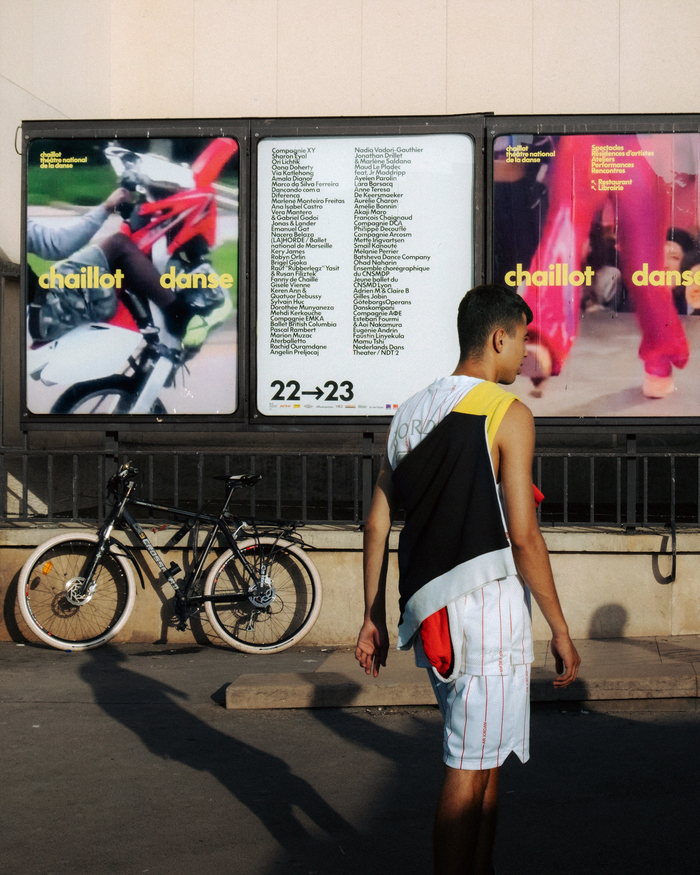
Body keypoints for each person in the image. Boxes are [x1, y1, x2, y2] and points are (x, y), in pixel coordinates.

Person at [355, 284, 580, 875]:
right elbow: (524, 536)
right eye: (524, 340)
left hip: (432, 616)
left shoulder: (407, 411)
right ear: (497, 337)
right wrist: (559, 626)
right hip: (486, 612)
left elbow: (376, 522)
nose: (527, 353)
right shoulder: (508, 414)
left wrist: (372, 615)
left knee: (482, 763)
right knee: (468, 769)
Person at [27, 188, 231, 346]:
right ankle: (182, 319)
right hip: (42, 311)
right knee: (119, 246)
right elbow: (56, 244)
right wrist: (107, 207)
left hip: (35, 313)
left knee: (107, 261)